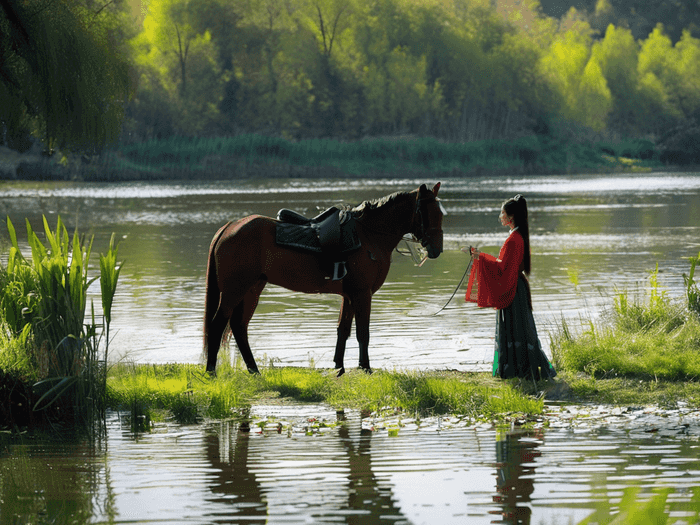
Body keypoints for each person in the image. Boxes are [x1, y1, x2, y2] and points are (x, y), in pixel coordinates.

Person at [463, 195, 556, 381]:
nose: (500, 216)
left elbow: (502, 269)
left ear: (511, 216)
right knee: (519, 328)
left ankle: (518, 371)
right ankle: (521, 370)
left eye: (502, 213)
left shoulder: (515, 239)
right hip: (516, 287)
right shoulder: (517, 236)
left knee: (516, 328)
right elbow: (504, 266)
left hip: (513, 289)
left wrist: (478, 256)